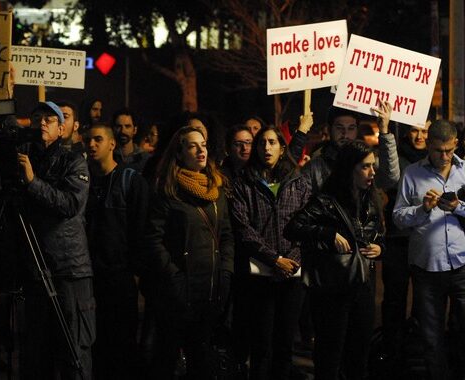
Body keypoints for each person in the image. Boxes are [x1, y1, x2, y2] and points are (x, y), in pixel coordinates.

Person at [285, 140, 385, 380]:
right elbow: (294, 227)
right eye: (365, 166)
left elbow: (378, 234)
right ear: (349, 168)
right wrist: (328, 234)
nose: (372, 172)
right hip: (333, 288)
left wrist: (379, 247)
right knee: (330, 355)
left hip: (362, 285)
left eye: (373, 166)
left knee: (359, 354)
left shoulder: (371, 200)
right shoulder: (327, 201)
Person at [142, 126, 234, 380]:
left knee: (201, 359)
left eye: (203, 144)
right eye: (193, 145)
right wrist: (174, 277)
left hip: (210, 289)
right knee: (167, 357)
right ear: (179, 153)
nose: (200, 150)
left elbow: (226, 235)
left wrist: (225, 271)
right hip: (178, 293)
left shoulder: (216, 189)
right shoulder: (167, 190)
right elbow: (153, 239)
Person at [16, 101, 95, 380]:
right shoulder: (23, 158)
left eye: (50, 119)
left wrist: (32, 181)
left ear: (62, 129)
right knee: (37, 352)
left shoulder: (73, 161)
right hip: (36, 268)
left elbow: (70, 205)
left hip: (67, 268)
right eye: (37, 117)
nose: (42, 123)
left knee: (73, 349)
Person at [229, 125, 311, 380]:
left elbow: (308, 224)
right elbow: (243, 228)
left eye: (272, 142)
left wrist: (293, 261)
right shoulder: (245, 182)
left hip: (291, 276)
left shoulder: (298, 182)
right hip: (260, 274)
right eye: (262, 142)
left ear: (282, 148)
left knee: (285, 343)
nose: (266, 147)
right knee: (261, 343)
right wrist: (274, 259)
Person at [392, 120, 465, 380]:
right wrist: (422, 208)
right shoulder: (412, 173)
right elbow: (398, 217)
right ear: (429, 147)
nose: (443, 156)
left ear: (456, 143)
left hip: (461, 266)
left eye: (448, 150)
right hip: (427, 267)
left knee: (462, 331)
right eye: (438, 151)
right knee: (430, 335)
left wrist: (457, 208)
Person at [84, 122, 149, 379]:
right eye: (88, 139)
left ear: (112, 144)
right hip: (91, 276)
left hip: (120, 277)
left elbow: (141, 228)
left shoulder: (130, 180)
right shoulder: (83, 181)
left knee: (122, 344)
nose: (91, 144)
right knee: (95, 343)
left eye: (98, 139)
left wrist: (136, 272)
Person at [381, 123, 428, 365]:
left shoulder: (438, 161)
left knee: (424, 302)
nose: (419, 136)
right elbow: (390, 181)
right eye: (415, 130)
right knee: (394, 300)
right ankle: (392, 352)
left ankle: (417, 353)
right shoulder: (397, 157)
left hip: (425, 241)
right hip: (399, 240)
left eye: (425, 131)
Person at [303, 101, 399, 193]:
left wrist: (384, 130)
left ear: (357, 130)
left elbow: (390, 179)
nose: (345, 135)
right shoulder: (316, 166)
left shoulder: (367, 159)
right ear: (329, 129)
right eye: (339, 128)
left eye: (351, 128)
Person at [112, 108, 150, 172]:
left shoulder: (145, 159)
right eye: (118, 126)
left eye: (127, 126)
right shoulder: (108, 156)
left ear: (134, 130)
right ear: (113, 129)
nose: (123, 131)